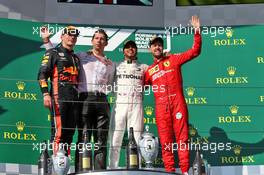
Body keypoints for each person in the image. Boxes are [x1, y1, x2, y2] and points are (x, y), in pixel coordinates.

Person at [41, 28, 115, 170]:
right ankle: (72, 170)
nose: (99, 41)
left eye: (102, 38)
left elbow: (111, 84)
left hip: (98, 100)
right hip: (81, 99)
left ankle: (98, 171)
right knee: (80, 137)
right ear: (92, 41)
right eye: (96, 38)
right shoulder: (81, 56)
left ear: (106, 43)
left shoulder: (109, 64)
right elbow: (54, 56)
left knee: (97, 139)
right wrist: (46, 41)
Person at [144, 16, 201, 174]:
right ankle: (169, 171)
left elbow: (195, 51)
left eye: (159, 45)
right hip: (161, 108)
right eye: (154, 45)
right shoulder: (149, 71)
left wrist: (196, 31)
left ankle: (184, 171)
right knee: (166, 142)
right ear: (150, 49)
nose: (157, 47)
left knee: (182, 139)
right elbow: (138, 85)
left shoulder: (174, 59)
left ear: (162, 47)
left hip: (177, 104)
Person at [38, 26, 80, 155]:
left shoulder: (76, 58)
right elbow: (42, 75)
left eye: (74, 36)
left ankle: (64, 164)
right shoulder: (52, 53)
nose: (72, 37)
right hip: (58, 98)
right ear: (62, 36)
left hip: (74, 100)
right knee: (59, 133)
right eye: (69, 35)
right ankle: (56, 165)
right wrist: (45, 94)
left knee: (69, 134)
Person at [108, 40, 148, 169]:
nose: (130, 49)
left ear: (136, 50)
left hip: (137, 104)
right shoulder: (116, 65)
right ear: (123, 50)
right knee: (115, 138)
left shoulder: (144, 67)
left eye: (133, 47)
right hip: (120, 103)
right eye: (127, 47)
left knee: (137, 137)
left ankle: (137, 168)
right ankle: (112, 167)